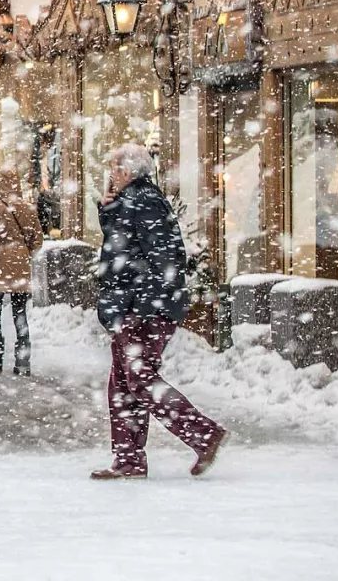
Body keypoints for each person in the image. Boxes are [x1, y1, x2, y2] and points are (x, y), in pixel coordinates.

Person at [91, 144, 228, 480]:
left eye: (114, 168)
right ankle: (128, 460)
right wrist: (109, 208)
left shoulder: (145, 201)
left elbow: (166, 258)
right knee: (123, 383)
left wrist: (141, 308)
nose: (110, 174)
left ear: (126, 171)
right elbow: (125, 246)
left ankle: (204, 434)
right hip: (132, 306)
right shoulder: (133, 201)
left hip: (144, 308)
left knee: (138, 378)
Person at [0, 167, 42, 375]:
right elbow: (37, 239)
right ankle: (23, 361)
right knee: (20, 312)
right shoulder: (27, 208)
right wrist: (24, 252)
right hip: (21, 266)